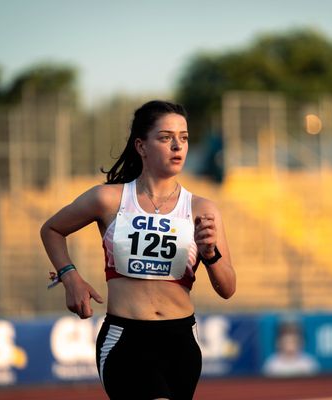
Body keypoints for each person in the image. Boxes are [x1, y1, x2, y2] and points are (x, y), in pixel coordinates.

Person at [40, 100, 236, 399]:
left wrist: (210, 254)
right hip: (126, 340)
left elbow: (228, 288)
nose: (177, 146)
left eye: (183, 138)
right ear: (141, 146)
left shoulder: (201, 209)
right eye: (165, 137)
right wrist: (70, 277)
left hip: (181, 341)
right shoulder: (108, 199)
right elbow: (52, 230)